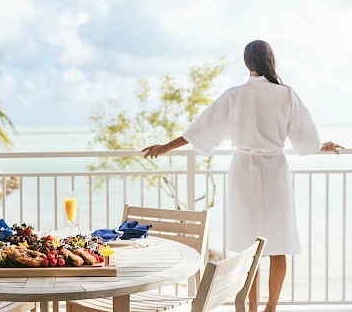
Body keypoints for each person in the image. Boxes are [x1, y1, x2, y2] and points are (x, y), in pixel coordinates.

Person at [142, 40, 343, 312]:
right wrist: (322, 146)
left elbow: (202, 128)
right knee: (279, 244)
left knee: (249, 248)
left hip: (243, 174)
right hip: (275, 173)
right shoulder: (286, 94)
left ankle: (251, 306)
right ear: (271, 60)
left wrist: (166, 146)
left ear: (247, 63)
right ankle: (271, 307)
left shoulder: (234, 95)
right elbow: (305, 138)